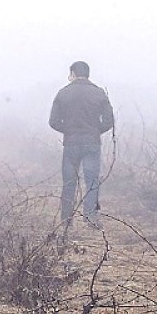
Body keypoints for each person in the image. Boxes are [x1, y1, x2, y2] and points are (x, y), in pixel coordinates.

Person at [48, 61, 114, 229]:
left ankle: (66, 220)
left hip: (71, 143)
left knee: (69, 182)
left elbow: (53, 122)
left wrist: (69, 130)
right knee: (91, 181)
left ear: (73, 73)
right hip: (92, 143)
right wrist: (95, 131)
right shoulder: (99, 93)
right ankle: (90, 217)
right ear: (88, 74)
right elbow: (109, 121)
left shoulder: (63, 93)